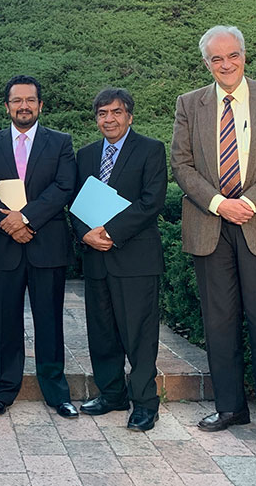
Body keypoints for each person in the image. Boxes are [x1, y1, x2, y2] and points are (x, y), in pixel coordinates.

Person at [171, 25, 256, 447]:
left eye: (233, 56)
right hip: (210, 225)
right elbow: (182, 164)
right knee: (220, 322)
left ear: (245, 56)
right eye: (216, 59)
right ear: (206, 63)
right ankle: (229, 406)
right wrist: (218, 203)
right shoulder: (190, 104)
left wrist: (249, 202)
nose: (226, 64)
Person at [0, 75, 79, 418]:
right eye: (17, 100)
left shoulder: (60, 142)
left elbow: (64, 187)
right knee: (4, 322)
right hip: (4, 245)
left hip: (46, 245)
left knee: (49, 320)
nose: (24, 106)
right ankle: (2, 391)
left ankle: (56, 391)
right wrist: (10, 225)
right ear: (6, 106)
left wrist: (26, 219)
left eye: (30, 100)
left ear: (40, 105)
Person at [71, 88, 167, 431]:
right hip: (96, 258)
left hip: (135, 258)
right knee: (102, 332)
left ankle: (144, 403)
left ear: (129, 115)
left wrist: (110, 232)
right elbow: (75, 202)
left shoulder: (151, 150)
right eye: (102, 113)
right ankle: (111, 393)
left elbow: (152, 200)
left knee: (139, 335)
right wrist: (85, 233)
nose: (108, 119)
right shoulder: (85, 155)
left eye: (115, 112)